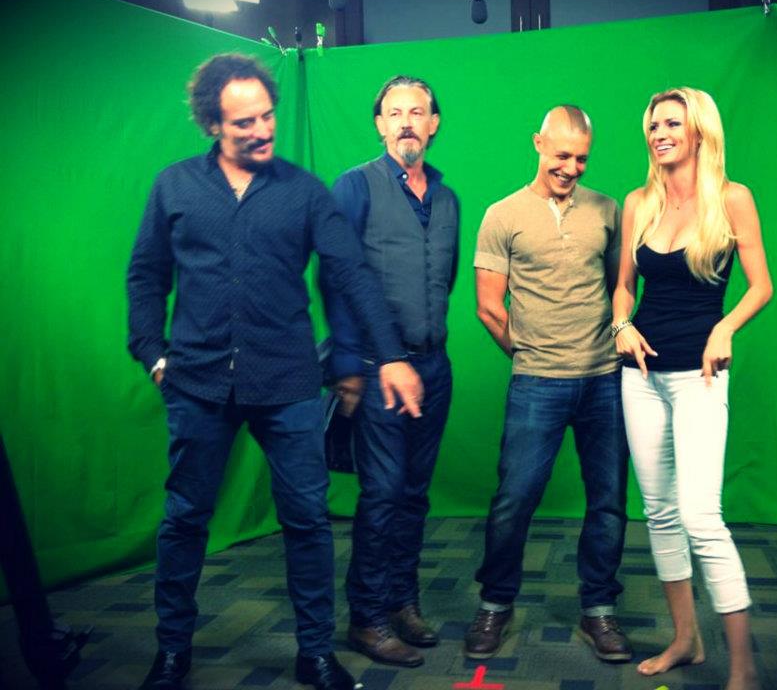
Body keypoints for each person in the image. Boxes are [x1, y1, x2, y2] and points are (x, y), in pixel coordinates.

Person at [126, 53, 423, 690]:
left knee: (307, 520)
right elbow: (146, 275)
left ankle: (315, 653)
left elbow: (352, 275)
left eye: (267, 116)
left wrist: (393, 356)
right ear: (212, 124)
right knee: (184, 519)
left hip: (287, 385)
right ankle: (172, 651)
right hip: (197, 384)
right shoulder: (174, 187)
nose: (262, 130)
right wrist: (152, 353)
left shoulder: (305, 192)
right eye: (245, 123)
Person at [612, 87, 772, 690]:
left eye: (672, 124)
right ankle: (686, 639)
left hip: (699, 377)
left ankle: (743, 669)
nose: (660, 134)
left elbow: (761, 285)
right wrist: (621, 325)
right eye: (654, 125)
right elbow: (623, 287)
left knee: (701, 517)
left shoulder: (732, 199)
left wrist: (725, 328)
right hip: (641, 378)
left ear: (699, 131)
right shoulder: (639, 203)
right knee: (658, 512)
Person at [467, 105, 631, 663]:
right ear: (538, 143)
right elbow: (489, 307)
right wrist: (531, 354)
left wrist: (613, 337)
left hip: (604, 380)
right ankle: (495, 602)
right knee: (514, 500)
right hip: (537, 381)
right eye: (562, 155)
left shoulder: (607, 210)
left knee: (608, 500)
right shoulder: (502, 214)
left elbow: (621, 288)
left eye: (582, 159)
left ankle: (599, 609)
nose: (571, 168)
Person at [321, 75, 458, 668]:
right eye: (394, 112)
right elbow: (335, 276)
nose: (406, 121)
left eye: (417, 112)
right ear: (380, 125)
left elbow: (444, 279)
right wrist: (349, 366)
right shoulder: (354, 186)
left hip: (434, 366)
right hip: (379, 368)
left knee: (414, 494)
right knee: (381, 493)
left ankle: (403, 602)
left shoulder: (448, 199)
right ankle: (368, 619)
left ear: (433, 124)